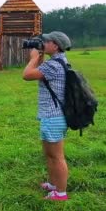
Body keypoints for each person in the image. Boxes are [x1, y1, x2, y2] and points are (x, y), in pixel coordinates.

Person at [22, 31, 72, 201]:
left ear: (55, 45)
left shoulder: (54, 65)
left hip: (54, 116)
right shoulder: (58, 61)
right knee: (50, 155)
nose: (43, 43)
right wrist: (40, 55)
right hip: (53, 115)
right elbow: (39, 72)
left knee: (56, 157)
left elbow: (27, 75)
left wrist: (34, 57)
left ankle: (61, 193)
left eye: (47, 41)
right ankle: (53, 184)